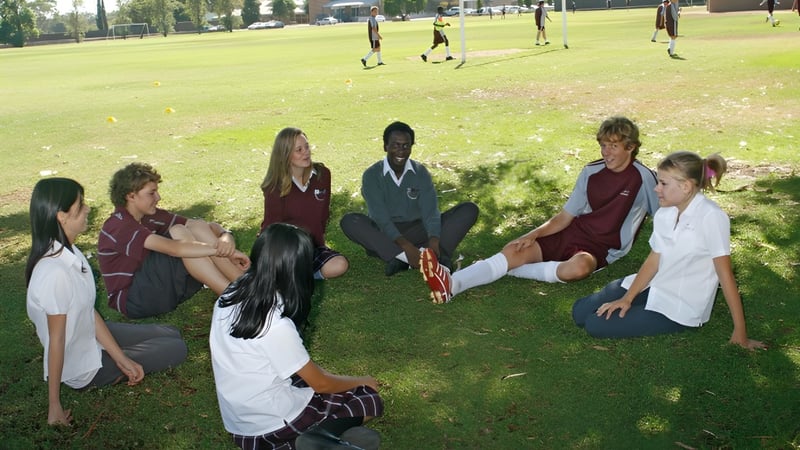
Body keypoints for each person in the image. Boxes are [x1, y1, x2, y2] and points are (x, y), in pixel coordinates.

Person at [421, 116, 659, 304]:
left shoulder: (644, 178)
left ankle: (509, 270)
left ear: (631, 147)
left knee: (577, 269)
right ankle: (452, 285)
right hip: (572, 232)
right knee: (515, 248)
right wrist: (532, 234)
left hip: (602, 247)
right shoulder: (591, 172)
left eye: (613, 146)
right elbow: (565, 216)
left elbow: (664, 217)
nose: (606, 152)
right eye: (603, 145)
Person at [25, 178, 188, 426]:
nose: (88, 208)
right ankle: (109, 366)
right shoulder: (54, 272)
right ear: (62, 216)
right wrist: (54, 405)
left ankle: (118, 355)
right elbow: (56, 340)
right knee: (177, 348)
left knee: (170, 332)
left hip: (89, 333)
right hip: (84, 366)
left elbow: (87, 311)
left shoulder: (69, 252)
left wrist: (121, 357)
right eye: (80, 205)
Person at [209, 223, 383, 449]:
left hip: (241, 429)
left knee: (306, 379)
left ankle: (321, 439)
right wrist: (362, 381)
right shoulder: (276, 324)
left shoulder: (233, 292)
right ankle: (319, 437)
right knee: (367, 398)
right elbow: (320, 384)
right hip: (273, 426)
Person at [571, 152, 767, 351]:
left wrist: (740, 333)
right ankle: (631, 301)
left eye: (663, 183)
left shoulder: (712, 217)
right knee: (579, 312)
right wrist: (626, 299)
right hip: (654, 285)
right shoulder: (665, 212)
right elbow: (654, 259)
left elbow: (725, 275)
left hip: (678, 307)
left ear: (686, 186)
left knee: (595, 324)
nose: (656, 188)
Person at [98, 162, 251, 319]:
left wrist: (226, 237)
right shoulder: (119, 225)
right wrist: (222, 250)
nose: (158, 197)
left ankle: (245, 285)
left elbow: (202, 226)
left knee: (195, 226)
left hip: (157, 286)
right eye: (152, 193)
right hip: (134, 299)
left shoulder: (150, 215)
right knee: (179, 231)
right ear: (131, 196)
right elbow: (175, 248)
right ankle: (237, 299)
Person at [340, 121, 479, 277]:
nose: (401, 151)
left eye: (406, 146)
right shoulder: (372, 175)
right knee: (350, 221)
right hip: (385, 233)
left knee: (469, 210)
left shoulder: (420, 172)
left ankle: (434, 254)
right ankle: (403, 257)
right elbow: (380, 217)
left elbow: (430, 210)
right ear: (385, 146)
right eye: (395, 145)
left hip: (419, 230)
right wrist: (406, 246)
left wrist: (434, 240)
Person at [260, 127, 349, 280]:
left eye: (307, 147)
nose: (306, 152)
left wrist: (320, 241)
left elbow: (323, 214)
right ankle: (291, 273)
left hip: (313, 247)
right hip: (286, 248)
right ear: (285, 155)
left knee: (340, 264)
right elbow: (272, 225)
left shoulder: (322, 174)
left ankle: (300, 275)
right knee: (282, 266)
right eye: (299, 150)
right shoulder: (275, 186)